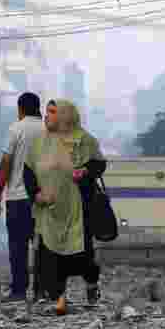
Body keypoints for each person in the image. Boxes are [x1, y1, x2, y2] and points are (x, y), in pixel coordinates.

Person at [22, 99, 106, 316]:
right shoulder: (39, 142)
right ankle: (56, 297)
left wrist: (85, 171)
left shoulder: (84, 140)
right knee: (49, 255)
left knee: (82, 255)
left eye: (52, 112)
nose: (47, 116)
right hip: (49, 210)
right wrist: (36, 194)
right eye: (47, 112)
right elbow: (28, 172)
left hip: (79, 209)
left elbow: (99, 164)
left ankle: (91, 286)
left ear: (65, 116)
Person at [0, 92, 45, 302]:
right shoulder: (48, 130)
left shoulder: (16, 129)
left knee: (17, 246)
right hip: (43, 200)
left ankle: (19, 291)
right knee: (44, 247)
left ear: (20, 109)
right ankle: (43, 291)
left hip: (17, 198)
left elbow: (6, 163)